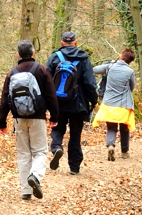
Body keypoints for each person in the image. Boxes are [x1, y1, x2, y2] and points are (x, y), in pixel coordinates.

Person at [0, 40, 60, 200]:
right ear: (33, 53)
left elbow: (5, 98)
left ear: (18, 54)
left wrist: (2, 121)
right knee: (39, 151)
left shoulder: (12, 73)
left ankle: (26, 191)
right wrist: (54, 116)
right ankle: (35, 176)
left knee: (23, 153)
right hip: (37, 118)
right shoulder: (42, 70)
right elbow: (51, 95)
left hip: (18, 118)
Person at [46, 31, 98, 175]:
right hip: (78, 103)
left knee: (57, 129)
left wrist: (48, 103)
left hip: (58, 103)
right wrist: (94, 100)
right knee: (75, 134)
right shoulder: (83, 58)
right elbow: (90, 83)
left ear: (62, 43)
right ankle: (74, 167)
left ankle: (57, 148)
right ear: (75, 42)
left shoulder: (54, 58)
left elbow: (46, 82)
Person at [92, 49, 138, 161]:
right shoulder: (130, 72)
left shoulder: (110, 67)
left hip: (109, 104)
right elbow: (132, 88)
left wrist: (109, 64)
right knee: (124, 128)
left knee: (111, 127)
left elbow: (94, 70)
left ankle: (111, 145)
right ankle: (124, 151)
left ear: (121, 56)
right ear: (130, 62)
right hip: (124, 105)